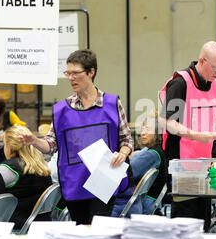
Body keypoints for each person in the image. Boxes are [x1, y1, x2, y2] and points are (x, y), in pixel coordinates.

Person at [19, 49, 134, 224]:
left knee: (98, 232)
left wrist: (123, 154)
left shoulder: (112, 104)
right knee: (81, 233)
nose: (70, 78)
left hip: (104, 180)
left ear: (91, 72)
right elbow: (51, 145)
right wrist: (33, 141)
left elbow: (127, 140)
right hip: (74, 183)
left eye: (75, 73)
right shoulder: (61, 110)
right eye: (68, 73)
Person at [159, 41, 216, 231]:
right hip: (181, 161)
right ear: (202, 61)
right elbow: (166, 122)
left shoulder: (214, 83)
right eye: (215, 67)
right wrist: (196, 135)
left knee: (203, 217)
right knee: (186, 217)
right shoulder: (180, 82)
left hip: (205, 159)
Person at [111, 112, 169, 217]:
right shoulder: (158, 152)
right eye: (142, 129)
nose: (142, 133)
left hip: (140, 205)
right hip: (147, 203)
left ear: (157, 133)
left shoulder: (152, 155)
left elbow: (128, 171)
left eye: (147, 129)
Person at [0, 125, 53, 231]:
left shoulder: (9, 170)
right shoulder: (43, 168)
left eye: (5, 144)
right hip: (42, 226)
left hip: (16, 226)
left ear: (10, 147)